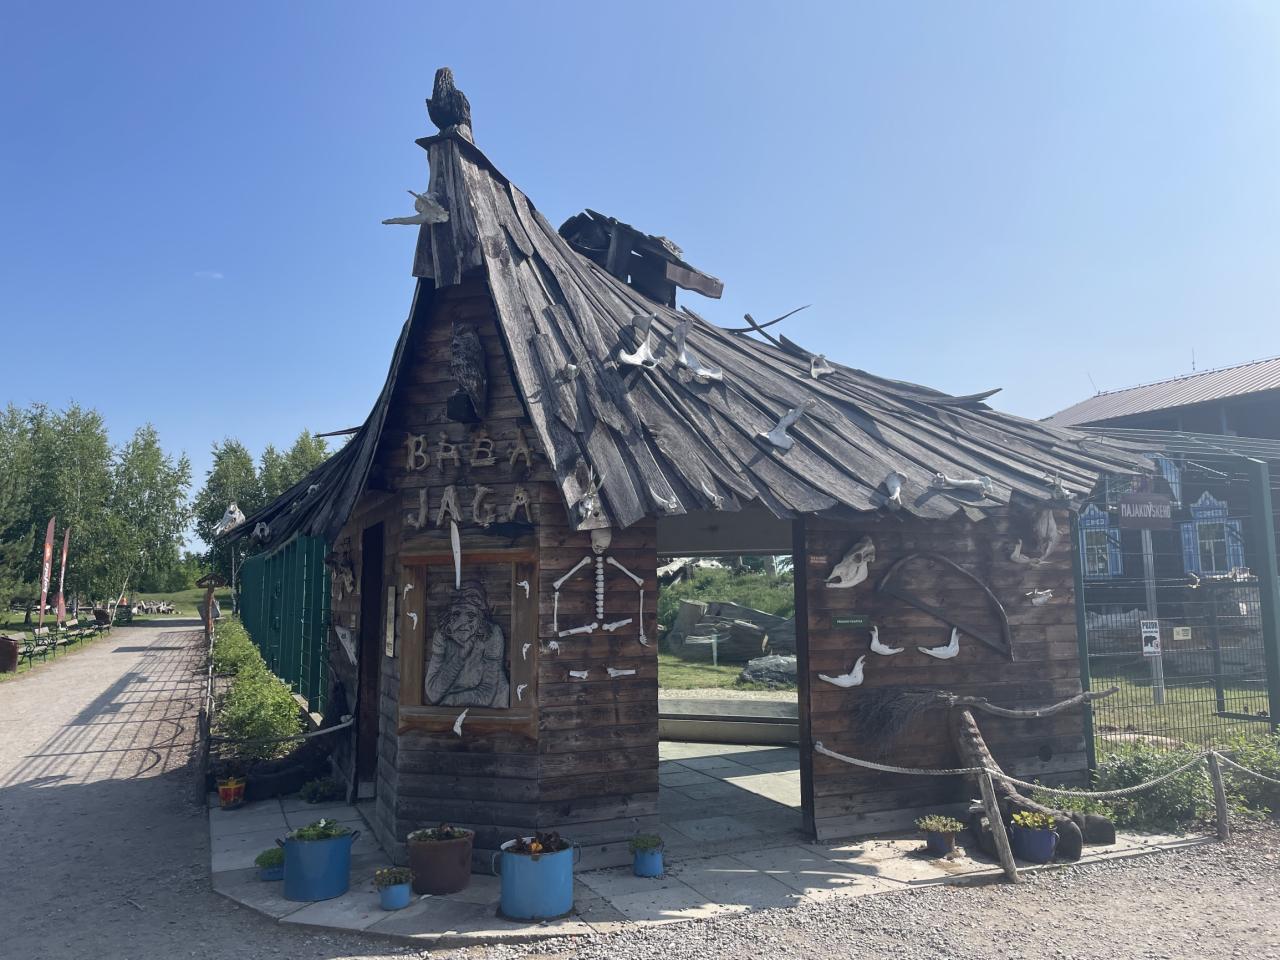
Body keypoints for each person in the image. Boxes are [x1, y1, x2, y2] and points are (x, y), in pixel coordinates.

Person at [424, 579, 509, 708]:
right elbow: (433, 693)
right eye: (457, 614)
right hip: (451, 706)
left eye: (470, 615)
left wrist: (453, 700)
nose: (463, 622)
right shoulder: (443, 634)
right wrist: (459, 658)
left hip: (492, 706)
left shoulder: (492, 634)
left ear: (480, 617)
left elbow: (487, 692)